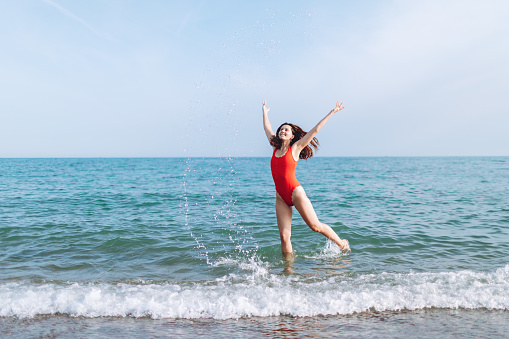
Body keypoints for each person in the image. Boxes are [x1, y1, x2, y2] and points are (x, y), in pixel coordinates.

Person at [262, 100, 350, 257]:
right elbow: (267, 128)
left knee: (315, 226)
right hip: (280, 197)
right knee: (284, 237)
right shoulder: (275, 147)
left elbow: (315, 130)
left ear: (292, 135)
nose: (282, 131)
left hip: (295, 193)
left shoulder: (295, 148)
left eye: (286, 130)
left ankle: (342, 243)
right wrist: (264, 112)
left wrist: (332, 112)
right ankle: (288, 270)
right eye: (281, 129)